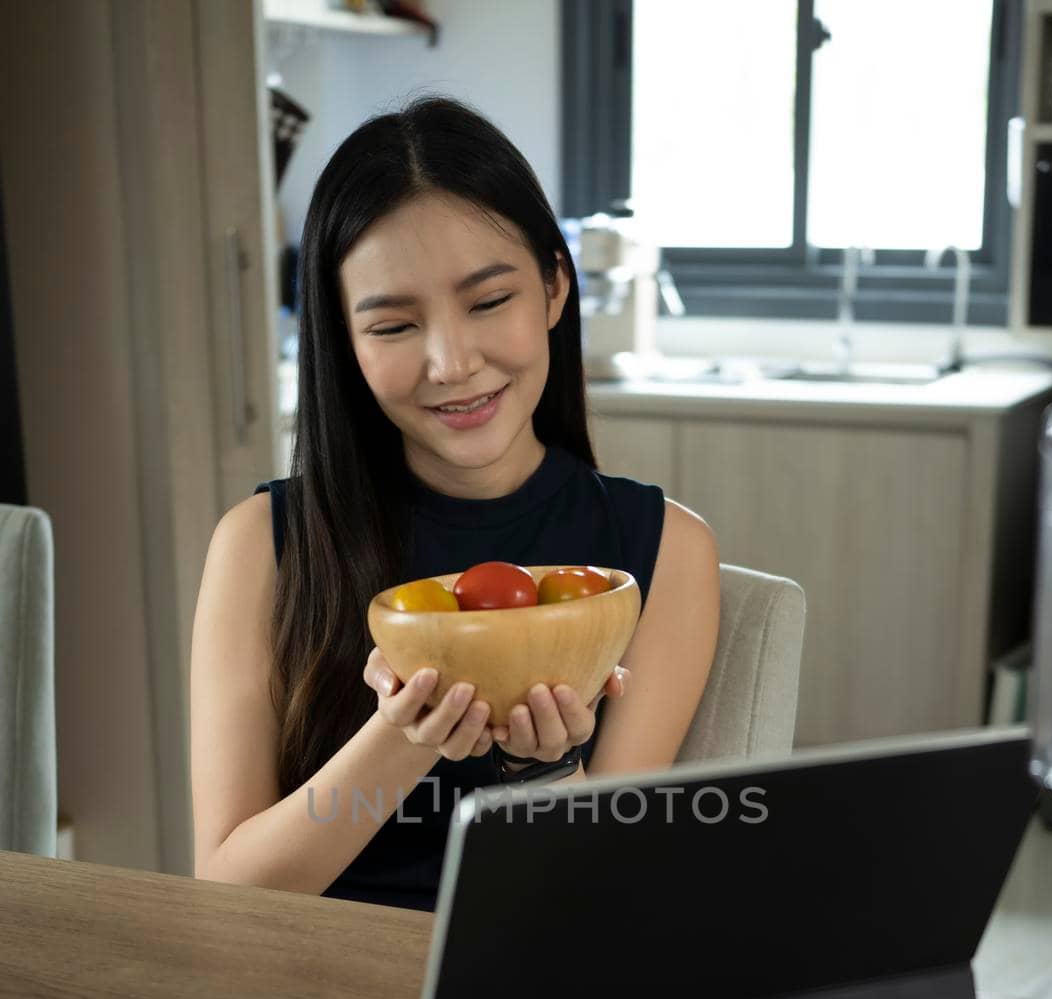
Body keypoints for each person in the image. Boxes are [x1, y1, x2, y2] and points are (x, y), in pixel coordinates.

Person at [190, 94, 720, 913]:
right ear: (345, 342)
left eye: (487, 302)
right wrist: (402, 737)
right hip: (299, 985)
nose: (450, 362)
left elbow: (604, 902)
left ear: (553, 287)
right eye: (394, 326)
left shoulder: (663, 550)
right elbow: (225, 893)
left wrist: (541, 768)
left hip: (527, 992)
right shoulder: (262, 544)